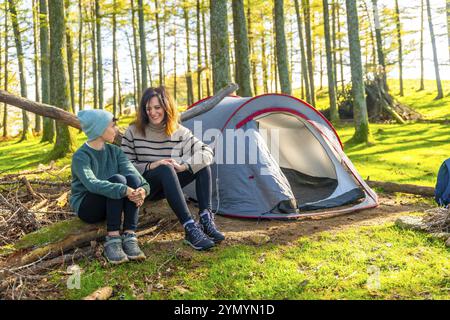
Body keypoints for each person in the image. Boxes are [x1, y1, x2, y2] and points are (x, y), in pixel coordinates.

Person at [121, 86, 225, 251]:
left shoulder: (179, 132)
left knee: (201, 166)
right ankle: (190, 227)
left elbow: (207, 152)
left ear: (167, 107)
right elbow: (125, 166)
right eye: (148, 108)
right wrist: (152, 165)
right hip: (144, 187)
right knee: (165, 168)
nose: (152, 112)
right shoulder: (133, 131)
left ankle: (206, 219)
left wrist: (183, 166)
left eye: (157, 107)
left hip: (169, 183)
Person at [70, 109, 150, 264]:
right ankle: (112, 239)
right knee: (118, 180)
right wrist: (123, 189)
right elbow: (92, 184)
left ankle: (129, 235)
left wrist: (142, 191)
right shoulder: (81, 156)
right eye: (113, 126)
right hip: (88, 207)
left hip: (112, 203)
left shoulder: (115, 151)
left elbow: (139, 178)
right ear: (99, 129)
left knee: (132, 179)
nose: (117, 130)